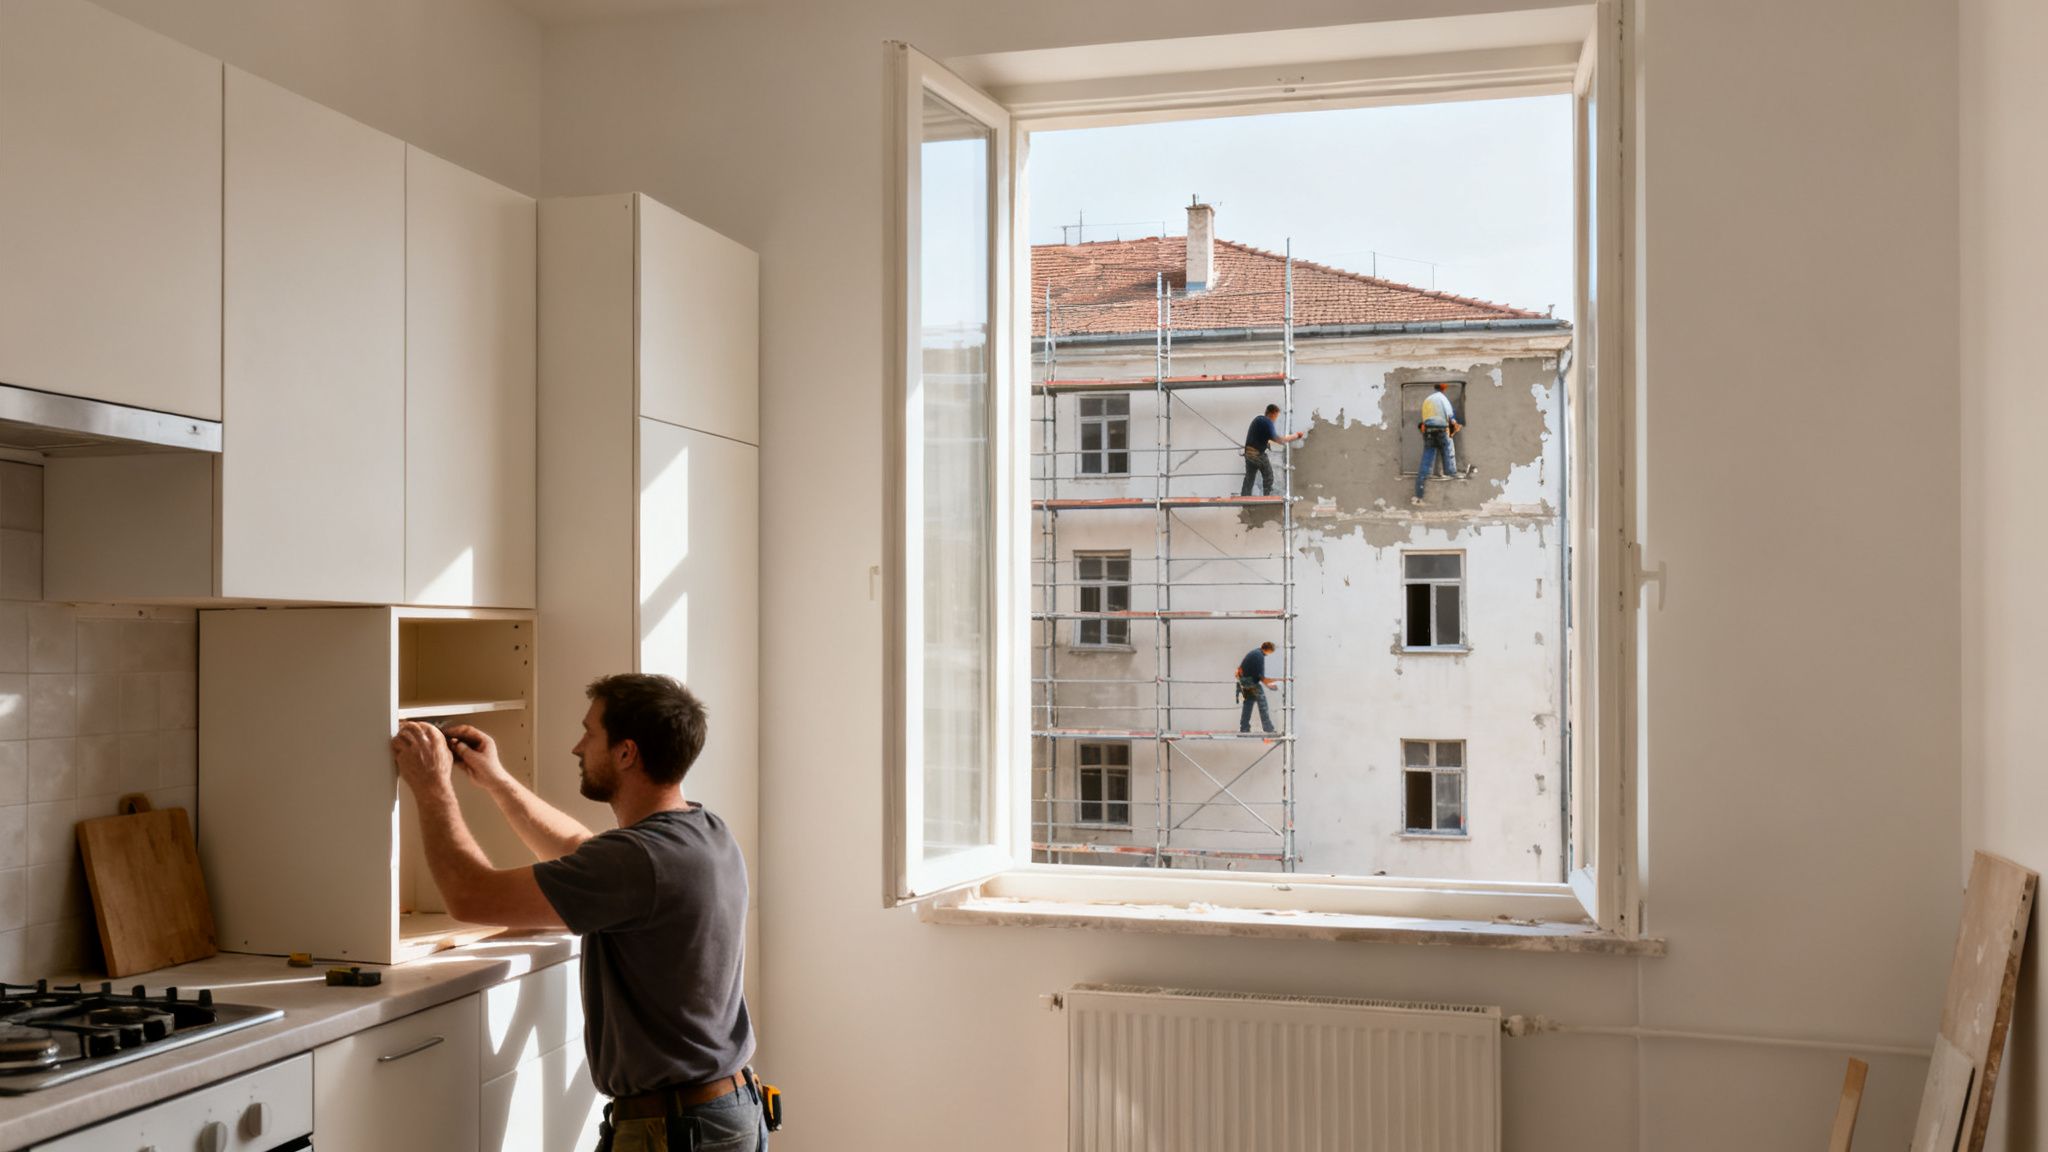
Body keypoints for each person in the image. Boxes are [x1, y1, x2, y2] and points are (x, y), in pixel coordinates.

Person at [390, 673, 768, 1152]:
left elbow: (470, 896)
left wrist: (431, 786)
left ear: (626, 752)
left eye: (590, 733)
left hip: (678, 1131)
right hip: (713, 1114)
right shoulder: (702, 830)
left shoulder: (639, 861)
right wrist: (497, 780)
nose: (577, 746)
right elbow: (579, 850)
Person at [1412, 382, 1462, 505]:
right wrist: (1455, 426)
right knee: (1448, 451)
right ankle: (1451, 473)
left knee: (1427, 458)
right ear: (1443, 388)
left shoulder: (1427, 400)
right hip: (1441, 429)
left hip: (1428, 429)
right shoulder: (1442, 398)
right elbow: (1450, 417)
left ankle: (1419, 494)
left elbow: (1424, 419)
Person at [1241, 403, 1305, 496]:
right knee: (1268, 476)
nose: (1275, 419)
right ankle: (1267, 498)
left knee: (1249, 479)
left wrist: (1267, 443)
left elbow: (1260, 438)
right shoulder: (1268, 422)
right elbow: (1280, 440)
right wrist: (1296, 435)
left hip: (1249, 454)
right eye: (1276, 416)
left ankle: (1244, 499)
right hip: (1257, 455)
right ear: (1273, 413)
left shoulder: (1258, 419)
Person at [1235, 641, 1280, 735]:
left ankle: (1244, 727)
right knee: (1262, 704)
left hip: (1245, 680)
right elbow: (1261, 676)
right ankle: (1268, 728)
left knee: (1248, 704)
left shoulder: (1255, 653)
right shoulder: (1259, 656)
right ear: (1268, 650)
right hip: (1250, 681)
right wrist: (1271, 686)